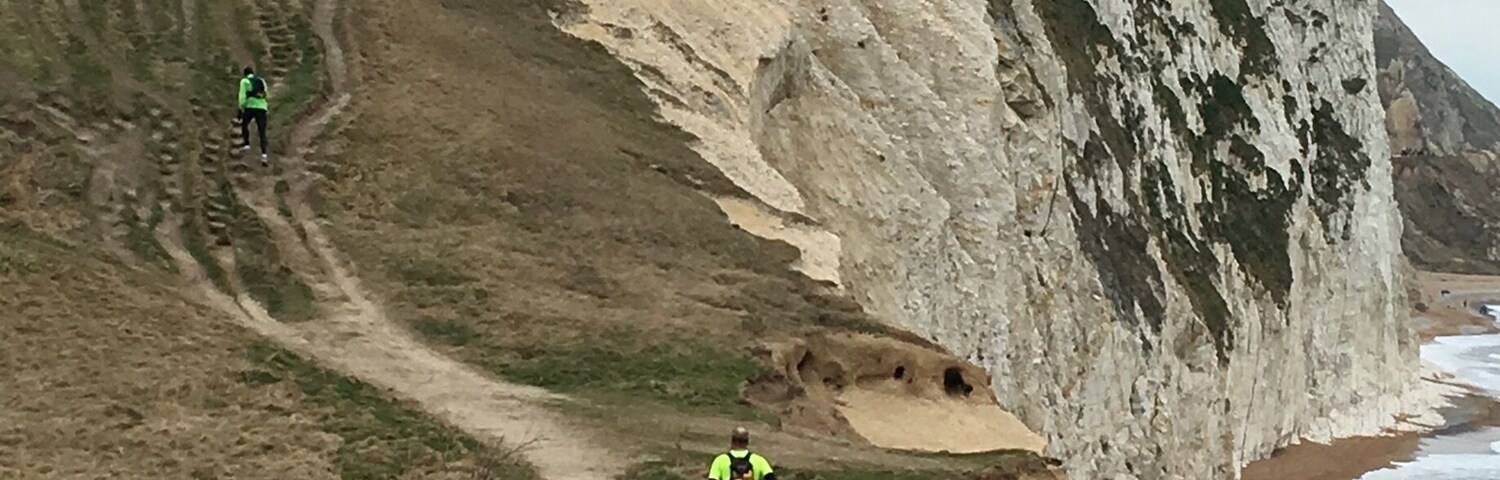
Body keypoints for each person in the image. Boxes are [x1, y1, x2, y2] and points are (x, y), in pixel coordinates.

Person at [706, 427, 777, 480]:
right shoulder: (759, 460)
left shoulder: (720, 460)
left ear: (732, 441)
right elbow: (771, 478)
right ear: (747, 442)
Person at [236, 66, 270, 165]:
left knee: (244, 124)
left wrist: (241, 108)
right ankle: (264, 155)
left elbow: (242, 96)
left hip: (250, 107)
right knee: (262, 131)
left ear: (245, 74)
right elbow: (266, 95)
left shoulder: (244, 81)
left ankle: (246, 145)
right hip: (262, 107)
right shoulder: (261, 80)